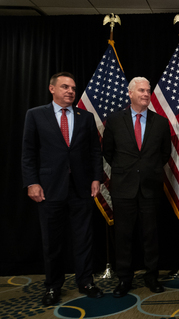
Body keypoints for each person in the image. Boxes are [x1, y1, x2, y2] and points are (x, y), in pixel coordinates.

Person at [22, 72, 103, 306]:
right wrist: (32, 182)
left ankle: (86, 282)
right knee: (52, 241)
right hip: (49, 188)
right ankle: (53, 287)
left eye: (73, 88)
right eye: (65, 87)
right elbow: (28, 152)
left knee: (84, 238)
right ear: (52, 89)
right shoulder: (36, 115)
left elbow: (94, 152)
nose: (70, 91)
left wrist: (96, 178)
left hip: (81, 188)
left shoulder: (85, 117)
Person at [102, 77, 171, 297]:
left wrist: (147, 170)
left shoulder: (160, 122)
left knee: (150, 234)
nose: (146, 94)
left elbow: (164, 153)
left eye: (148, 91)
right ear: (130, 93)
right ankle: (124, 279)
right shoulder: (114, 120)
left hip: (150, 187)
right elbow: (108, 152)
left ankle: (152, 276)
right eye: (141, 90)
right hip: (123, 188)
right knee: (123, 235)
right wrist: (128, 170)